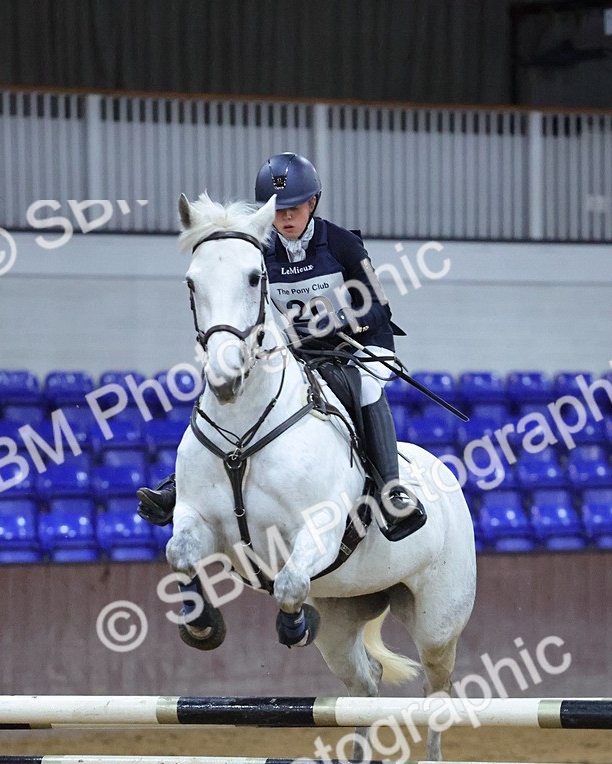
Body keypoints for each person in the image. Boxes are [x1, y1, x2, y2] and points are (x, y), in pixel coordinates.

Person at [137, 151, 426, 541]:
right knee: (236, 385)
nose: (286, 218)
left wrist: (336, 322)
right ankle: (182, 485)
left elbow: (378, 307)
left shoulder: (342, 245)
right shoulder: (261, 252)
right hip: (298, 353)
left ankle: (391, 490)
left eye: (295, 208)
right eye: (278, 210)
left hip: (358, 347)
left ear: (313, 203)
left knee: (367, 385)